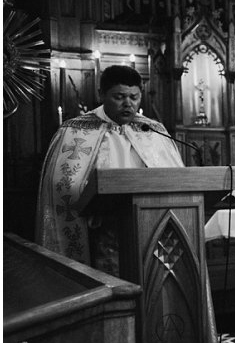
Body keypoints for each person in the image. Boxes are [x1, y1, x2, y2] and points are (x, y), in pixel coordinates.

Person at [36, 64, 183, 272]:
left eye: (134, 97)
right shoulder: (76, 130)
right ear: (101, 94)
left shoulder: (153, 130)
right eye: (119, 97)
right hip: (100, 231)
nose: (128, 104)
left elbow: (175, 179)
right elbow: (61, 185)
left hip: (149, 229)